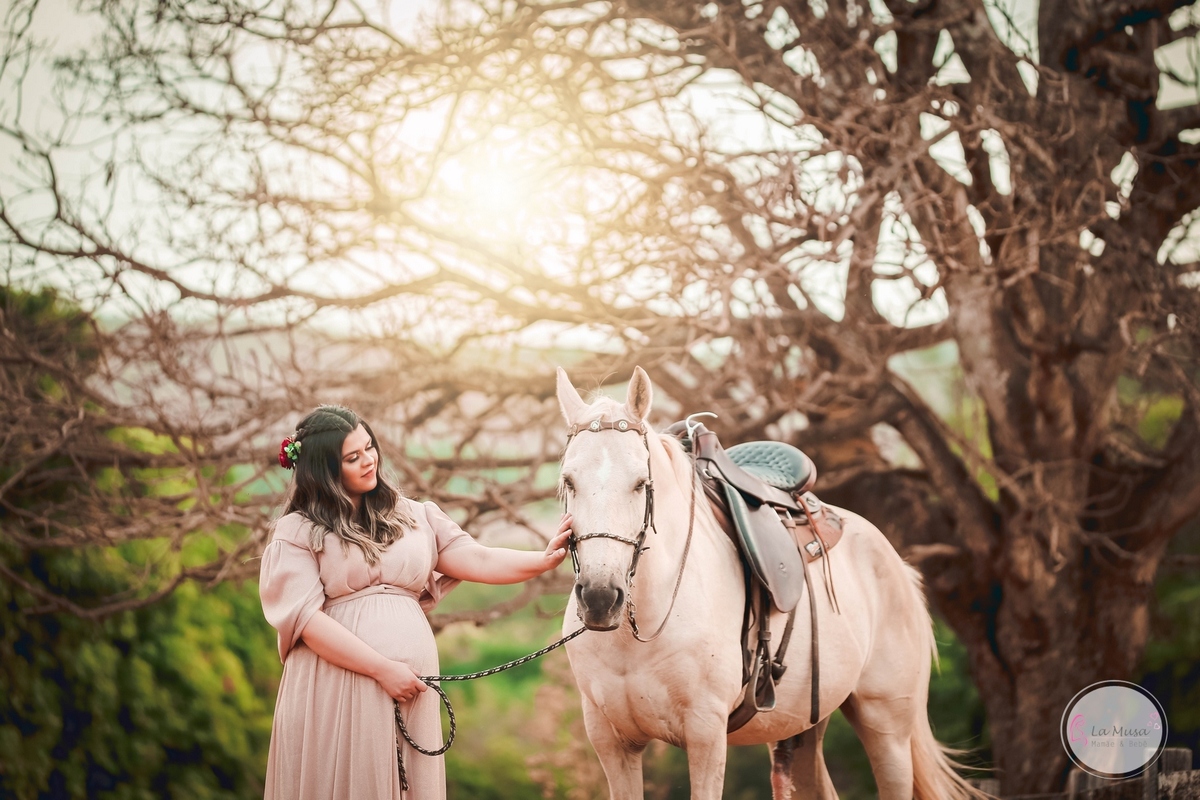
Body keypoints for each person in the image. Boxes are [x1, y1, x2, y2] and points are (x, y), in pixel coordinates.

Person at [259, 404, 571, 799]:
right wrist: (382, 669)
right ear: (324, 470)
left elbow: (478, 558)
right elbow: (306, 622)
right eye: (352, 458)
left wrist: (543, 561)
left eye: (369, 448)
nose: (369, 461)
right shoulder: (297, 532)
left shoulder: (414, 516)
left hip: (410, 687)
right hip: (337, 684)